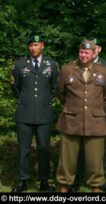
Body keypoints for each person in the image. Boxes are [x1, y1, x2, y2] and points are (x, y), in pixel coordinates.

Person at [55, 39, 106, 193]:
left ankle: (96, 187)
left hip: (95, 121)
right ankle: (64, 186)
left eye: (87, 52)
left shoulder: (104, 71)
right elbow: (61, 93)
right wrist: (74, 107)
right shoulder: (67, 69)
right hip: (71, 120)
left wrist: (94, 109)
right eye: (81, 52)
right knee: (67, 159)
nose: (83, 55)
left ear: (94, 53)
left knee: (95, 159)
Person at [10, 34, 58, 192]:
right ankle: (22, 181)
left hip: (44, 113)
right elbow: (15, 86)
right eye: (31, 45)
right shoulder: (19, 64)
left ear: (42, 46)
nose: (33, 48)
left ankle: (44, 181)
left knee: (44, 148)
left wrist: (46, 101)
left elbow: (54, 88)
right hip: (24, 113)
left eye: (36, 45)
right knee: (23, 149)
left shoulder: (51, 64)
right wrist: (24, 100)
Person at [70, 37, 106, 192]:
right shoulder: (74, 65)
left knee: (99, 147)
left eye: (95, 47)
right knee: (78, 146)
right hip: (80, 113)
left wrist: (98, 106)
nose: (92, 50)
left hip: (99, 113)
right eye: (89, 48)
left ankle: (100, 181)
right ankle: (76, 179)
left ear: (99, 49)